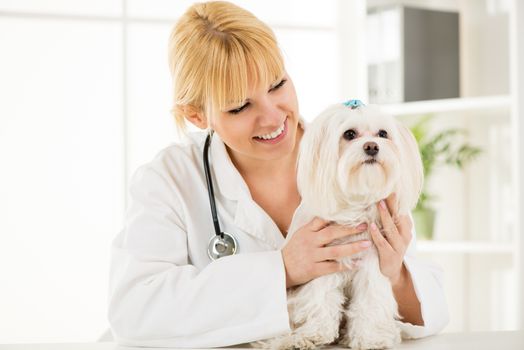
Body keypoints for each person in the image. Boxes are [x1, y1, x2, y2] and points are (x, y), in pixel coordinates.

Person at [108, 1, 449, 347]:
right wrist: (281, 269)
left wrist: (394, 273)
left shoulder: (353, 155)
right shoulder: (171, 178)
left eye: (277, 85)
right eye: (240, 106)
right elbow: (135, 309)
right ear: (197, 115)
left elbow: (429, 305)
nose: (272, 118)